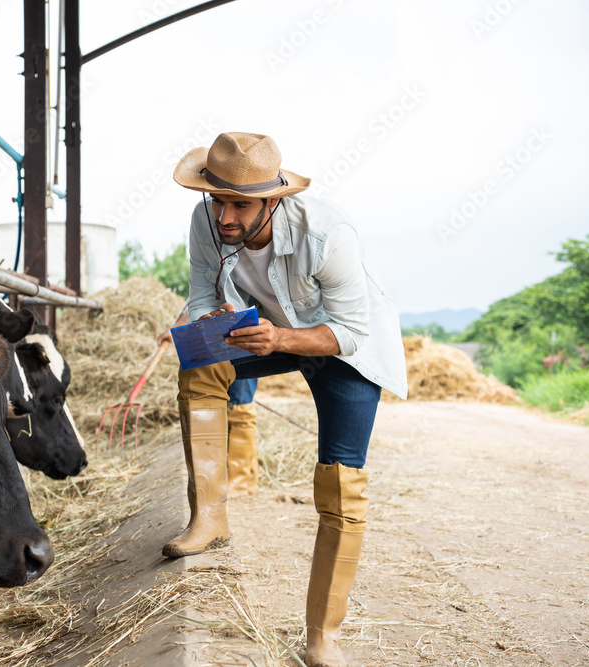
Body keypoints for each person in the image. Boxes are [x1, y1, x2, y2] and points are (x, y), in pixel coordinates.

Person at [165, 132, 408, 667]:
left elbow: (349, 331)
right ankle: (209, 516)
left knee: (342, 482)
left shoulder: (328, 234)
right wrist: (210, 318)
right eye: (217, 199)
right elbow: (203, 289)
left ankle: (323, 637)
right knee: (198, 366)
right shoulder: (207, 221)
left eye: (241, 204)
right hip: (268, 331)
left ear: (273, 200)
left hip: (344, 349)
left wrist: (281, 339)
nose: (225, 216)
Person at [159, 314, 260, 497]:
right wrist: (178, 328)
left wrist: (178, 329)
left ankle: (241, 479)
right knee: (227, 405)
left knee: (240, 405)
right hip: (216, 339)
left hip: (239, 332)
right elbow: (195, 302)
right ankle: (246, 477)